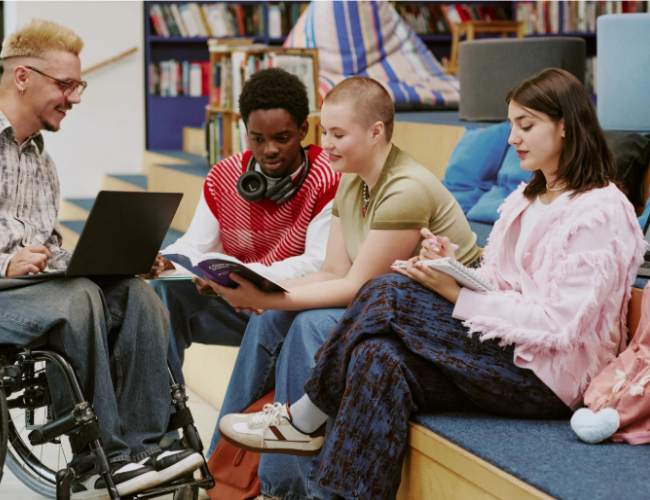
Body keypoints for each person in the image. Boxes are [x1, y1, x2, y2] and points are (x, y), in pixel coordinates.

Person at [218, 68, 646, 500]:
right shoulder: (527, 199)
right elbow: (499, 283)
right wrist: (451, 268)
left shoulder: (600, 210)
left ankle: (304, 417)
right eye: (512, 124)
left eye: (526, 125)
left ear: (566, 126)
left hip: (550, 378)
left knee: (386, 290)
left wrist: (455, 293)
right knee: (376, 356)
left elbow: (559, 323)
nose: (512, 138)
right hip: (507, 354)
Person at [0, 19, 202, 499]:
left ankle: (145, 447)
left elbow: (47, 251)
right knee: (76, 299)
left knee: (137, 296)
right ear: (23, 77)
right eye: (65, 85)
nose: (74, 97)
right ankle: (97, 461)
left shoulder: (40, 160)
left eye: (78, 85)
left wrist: (118, 261)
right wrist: (1, 264)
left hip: (25, 290)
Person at [206, 76, 481, 499]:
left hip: (442, 322)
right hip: (384, 306)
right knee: (274, 318)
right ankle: (219, 469)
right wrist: (265, 287)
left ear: (376, 132)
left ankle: (298, 488)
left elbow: (356, 288)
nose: (326, 145)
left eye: (338, 134)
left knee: (310, 326)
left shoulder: (405, 188)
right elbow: (334, 269)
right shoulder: (352, 178)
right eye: (325, 133)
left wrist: (264, 295)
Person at [146, 68, 340, 383]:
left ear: (304, 129)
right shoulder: (222, 176)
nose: (269, 150)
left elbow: (319, 263)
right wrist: (165, 260)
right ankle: (164, 420)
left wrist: (239, 277)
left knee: (282, 314)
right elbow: (195, 245)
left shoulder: (328, 177)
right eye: (257, 139)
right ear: (244, 131)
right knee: (161, 294)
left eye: (282, 138)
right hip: (238, 305)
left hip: (288, 307)